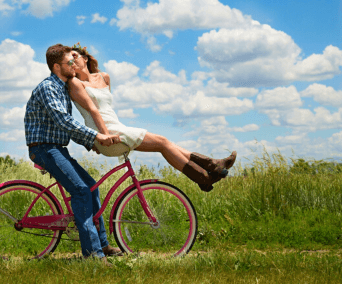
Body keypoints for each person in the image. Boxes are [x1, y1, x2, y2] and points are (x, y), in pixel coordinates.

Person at [67, 43, 237, 192]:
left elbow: (107, 109)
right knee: (162, 143)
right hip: (106, 134)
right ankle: (206, 174)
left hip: (116, 127)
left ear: (85, 58)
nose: (72, 61)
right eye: (68, 60)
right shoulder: (75, 83)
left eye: (74, 56)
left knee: (165, 143)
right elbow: (93, 111)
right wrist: (102, 137)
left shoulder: (104, 77)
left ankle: (211, 167)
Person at [24, 44, 123, 263]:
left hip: (57, 148)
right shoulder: (49, 87)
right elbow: (64, 121)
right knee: (81, 191)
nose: (74, 65)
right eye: (70, 61)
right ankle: (93, 255)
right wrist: (97, 137)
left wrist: (91, 144)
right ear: (57, 66)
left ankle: (103, 245)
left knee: (92, 187)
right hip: (44, 148)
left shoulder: (62, 88)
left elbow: (66, 128)